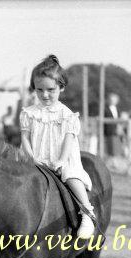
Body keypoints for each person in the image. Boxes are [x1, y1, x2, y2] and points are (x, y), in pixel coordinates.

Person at [20, 55, 95, 238]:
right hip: (34, 157)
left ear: (61, 87)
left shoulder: (67, 115)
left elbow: (68, 141)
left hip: (61, 157)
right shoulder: (29, 114)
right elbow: (25, 138)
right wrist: (31, 157)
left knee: (71, 175)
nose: (45, 95)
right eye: (40, 90)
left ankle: (87, 213)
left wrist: (61, 160)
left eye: (50, 90)